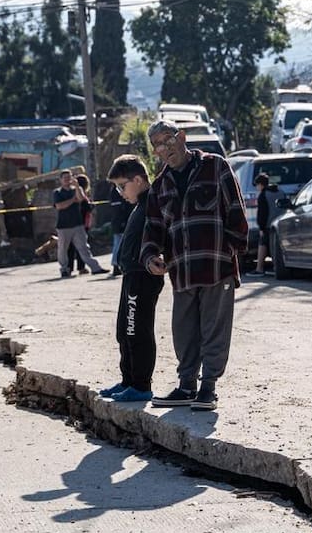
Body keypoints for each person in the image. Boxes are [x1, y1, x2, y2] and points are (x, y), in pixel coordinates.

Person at [140, 119, 248, 411]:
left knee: (214, 329)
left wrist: (232, 251)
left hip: (216, 266)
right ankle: (186, 385)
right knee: (185, 330)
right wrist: (151, 257)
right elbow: (152, 229)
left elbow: (236, 210)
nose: (164, 149)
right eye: (157, 146)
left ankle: (208, 388)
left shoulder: (215, 166)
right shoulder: (160, 185)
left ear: (182, 137)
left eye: (167, 140)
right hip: (182, 270)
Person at [99, 155, 165, 403]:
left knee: (137, 330)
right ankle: (128, 380)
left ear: (137, 179)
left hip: (143, 276)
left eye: (121, 186)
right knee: (124, 331)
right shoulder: (138, 204)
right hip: (130, 276)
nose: (119, 192)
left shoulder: (152, 203)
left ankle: (141, 385)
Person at [52, 169, 106, 277]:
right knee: (63, 249)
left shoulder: (77, 189)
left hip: (77, 224)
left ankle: (95, 268)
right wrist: (72, 200)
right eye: (65, 178)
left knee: (84, 248)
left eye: (69, 177)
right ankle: (64, 269)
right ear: (61, 180)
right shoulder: (57, 192)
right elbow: (59, 206)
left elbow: (81, 199)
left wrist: (77, 187)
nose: (68, 179)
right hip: (63, 226)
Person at [108, 176, 135, 276]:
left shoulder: (117, 190)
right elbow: (118, 209)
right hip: (120, 222)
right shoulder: (116, 192)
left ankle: (119, 264)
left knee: (120, 243)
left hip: (121, 221)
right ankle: (116, 265)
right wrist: (122, 221)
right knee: (118, 244)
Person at [74, 173, 98, 274]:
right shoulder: (81, 194)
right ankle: (81, 267)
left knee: (80, 246)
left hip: (84, 221)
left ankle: (80, 266)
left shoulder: (80, 193)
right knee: (82, 246)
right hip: (82, 222)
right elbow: (85, 207)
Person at [249, 171, 272, 276]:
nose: (256, 188)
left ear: (260, 184)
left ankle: (259, 268)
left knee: (262, 245)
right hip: (276, 223)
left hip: (266, 225)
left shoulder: (263, 195)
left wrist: (261, 228)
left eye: (257, 185)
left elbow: (262, 213)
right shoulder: (276, 191)